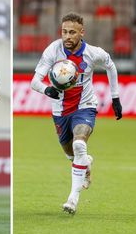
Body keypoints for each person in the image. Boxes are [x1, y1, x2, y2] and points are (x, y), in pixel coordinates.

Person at [31, 12, 122, 214]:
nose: (67, 36)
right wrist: (46, 89)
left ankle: (73, 199)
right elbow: (34, 81)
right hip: (60, 111)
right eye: (64, 31)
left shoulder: (92, 52)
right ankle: (85, 165)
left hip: (85, 105)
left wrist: (115, 97)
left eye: (72, 32)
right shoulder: (52, 51)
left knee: (79, 143)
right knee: (71, 155)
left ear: (82, 32)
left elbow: (111, 65)